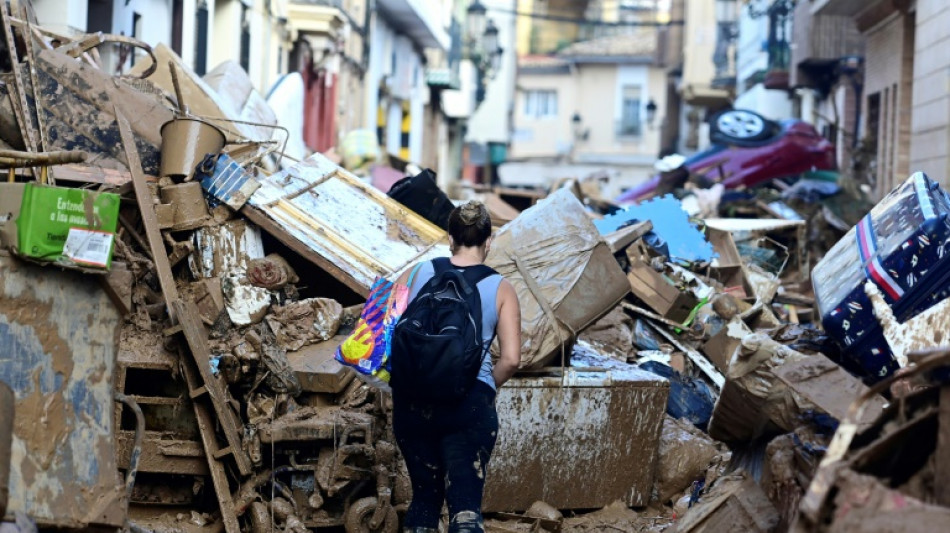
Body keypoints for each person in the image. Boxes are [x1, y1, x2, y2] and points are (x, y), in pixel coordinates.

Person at [392, 200, 521, 533]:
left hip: (412, 404)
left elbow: (385, 325)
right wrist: (483, 388)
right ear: (488, 241)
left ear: (450, 238)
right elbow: (511, 359)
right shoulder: (502, 287)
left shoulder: (417, 272)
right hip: (469, 407)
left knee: (423, 500)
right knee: (465, 509)